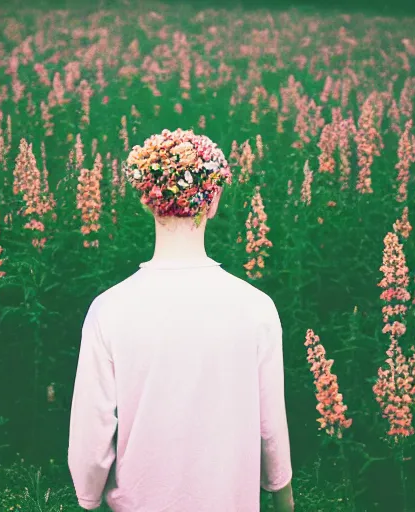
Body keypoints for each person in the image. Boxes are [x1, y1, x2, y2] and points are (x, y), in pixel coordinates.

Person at [68, 128, 294, 511]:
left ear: (146, 199)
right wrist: (283, 497)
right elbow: (270, 425)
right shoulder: (256, 307)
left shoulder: (109, 308)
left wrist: (88, 499)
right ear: (214, 200)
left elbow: (92, 433)